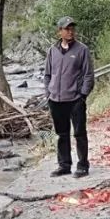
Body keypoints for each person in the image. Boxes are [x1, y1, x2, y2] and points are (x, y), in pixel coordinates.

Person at [43, 16, 95, 177]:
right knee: (61, 134)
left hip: (75, 100)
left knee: (79, 133)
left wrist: (83, 96)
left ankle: (83, 166)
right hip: (56, 100)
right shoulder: (52, 50)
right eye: (67, 29)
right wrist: (48, 93)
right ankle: (64, 165)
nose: (70, 31)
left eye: (72, 28)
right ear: (60, 31)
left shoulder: (82, 50)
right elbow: (47, 74)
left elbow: (88, 75)